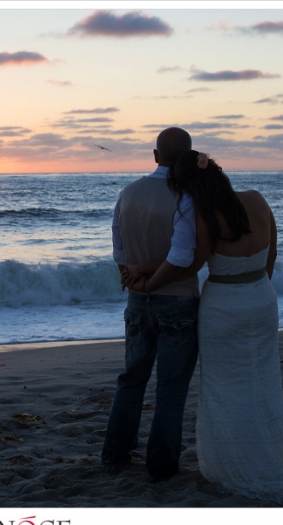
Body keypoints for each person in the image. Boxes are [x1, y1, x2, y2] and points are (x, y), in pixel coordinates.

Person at [123, 150, 283, 503]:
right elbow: (271, 255)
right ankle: (270, 456)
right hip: (261, 299)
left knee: (224, 386)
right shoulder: (257, 199)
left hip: (223, 307)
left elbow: (189, 264)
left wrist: (146, 270)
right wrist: (255, 291)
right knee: (262, 381)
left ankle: (233, 463)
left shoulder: (206, 217)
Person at [101, 127, 200, 483]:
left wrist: (132, 278)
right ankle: (160, 466)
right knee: (171, 388)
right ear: (189, 157)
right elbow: (183, 255)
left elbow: (118, 246)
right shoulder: (185, 196)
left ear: (155, 155)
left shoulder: (128, 192)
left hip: (137, 300)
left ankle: (114, 452)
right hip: (178, 302)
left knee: (131, 380)